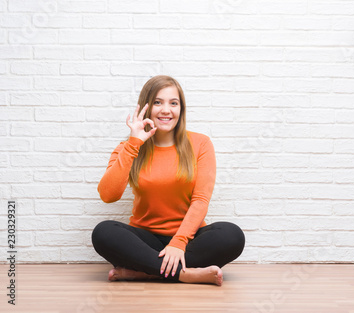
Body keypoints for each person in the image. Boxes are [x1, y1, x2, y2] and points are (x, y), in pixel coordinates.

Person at [91, 75, 245, 286]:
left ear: (181, 109)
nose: (166, 110)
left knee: (232, 235)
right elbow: (108, 195)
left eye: (173, 103)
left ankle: (144, 272)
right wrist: (134, 143)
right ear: (146, 107)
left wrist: (179, 242)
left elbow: (200, 200)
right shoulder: (129, 147)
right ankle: (185, 274)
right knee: (103, 232)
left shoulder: (200, 143)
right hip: (145, 241)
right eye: (157, 102)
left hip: (189, 239)